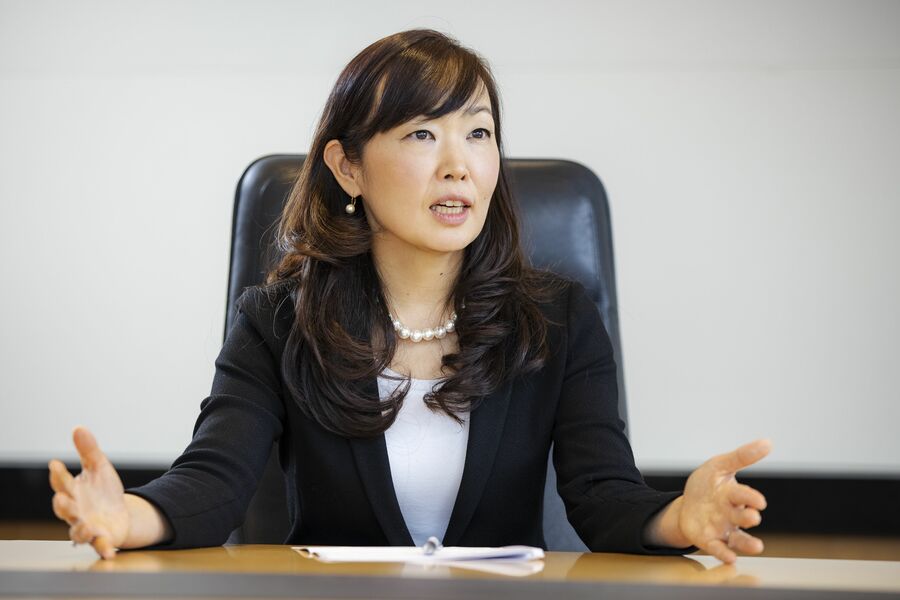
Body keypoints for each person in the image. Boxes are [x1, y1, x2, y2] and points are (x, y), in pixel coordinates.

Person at [47, 29, 771, 565]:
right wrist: (129, 515)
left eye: (478, 132)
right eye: (423, 133)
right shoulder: (278, 322)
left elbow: (605, 498)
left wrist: (679, 518)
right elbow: (213, 482)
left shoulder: (557, 320)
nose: (459, 165)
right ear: (348, 167)